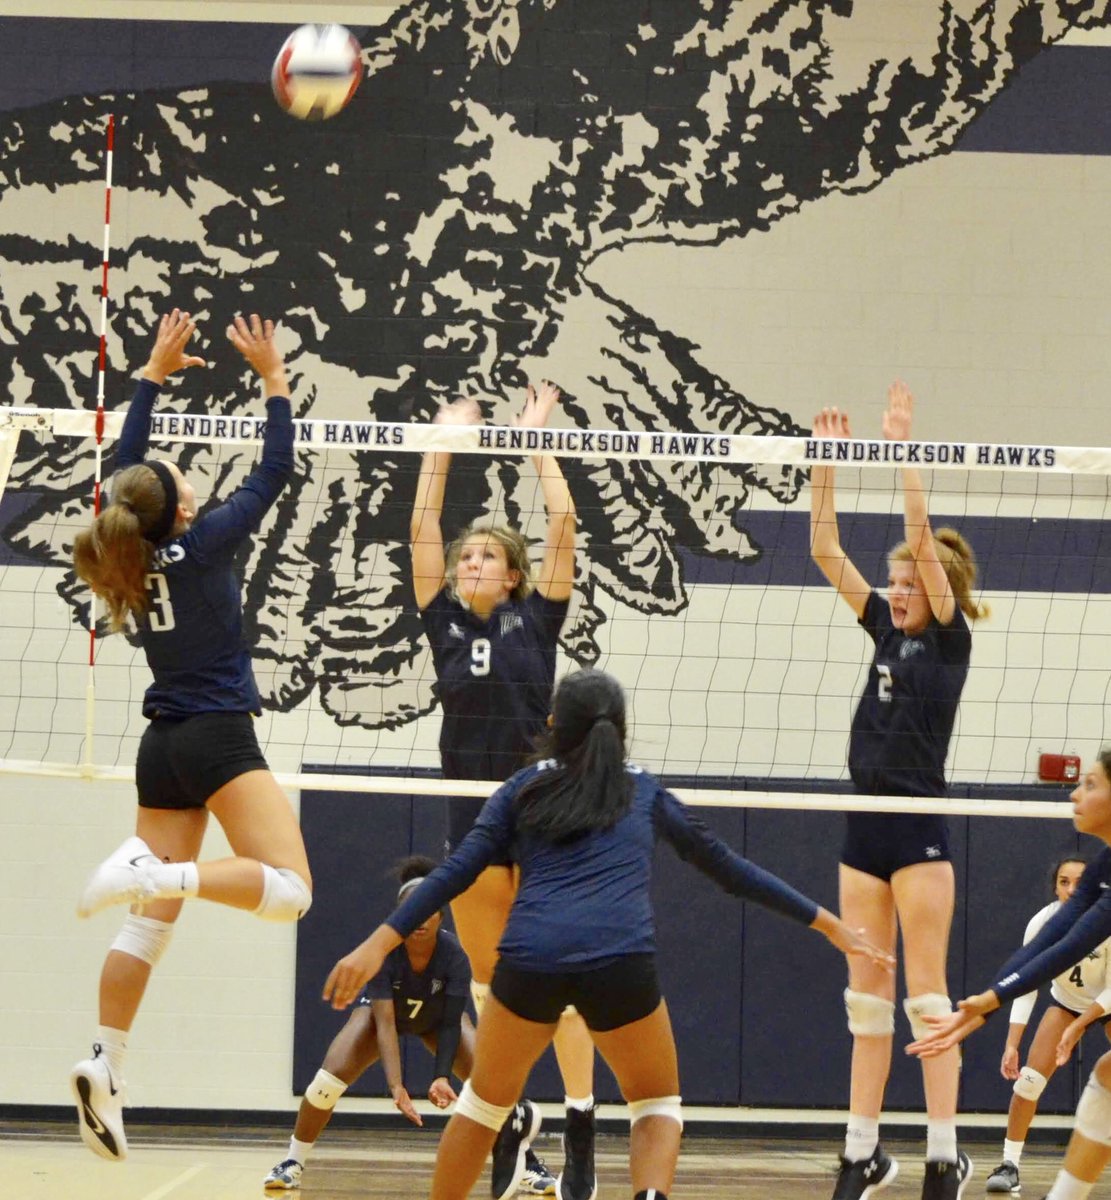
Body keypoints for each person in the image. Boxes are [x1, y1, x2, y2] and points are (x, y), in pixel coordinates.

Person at [322, 668, 895, 1200]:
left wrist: (377, 944)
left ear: (551, 725)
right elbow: (729, 870)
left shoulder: (519, 789)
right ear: (620, 731)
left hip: (530, 962)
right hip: (618, 961)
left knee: (483, 1107)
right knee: (657, 1105)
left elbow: (452, 873)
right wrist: (828, 924)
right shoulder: (642, 791)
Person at [69, 310, 312, 1163]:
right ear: (181, 507)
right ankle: (151, 869)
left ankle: (106, 1060)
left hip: (162, 742)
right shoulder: (203, 545)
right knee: (290, 889)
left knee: (147, 927)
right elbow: (277, 466)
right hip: (212, 736)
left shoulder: (124, 552)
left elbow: (120, 476)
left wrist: (150, 378)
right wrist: (274, 379)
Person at [411, 385, 593, 1200]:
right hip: (475, 821)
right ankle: (511, 1121)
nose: (469, 564)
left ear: (514, 576)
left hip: (542, 817)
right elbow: (420, 531)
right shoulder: (444, 621)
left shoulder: (536, 621)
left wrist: (536, 442)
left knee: (564, 983)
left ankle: (581, 1122)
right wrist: (442, 443)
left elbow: (564, 528)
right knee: (493, 991)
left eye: (484, 556)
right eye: (464, 559)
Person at [809, 382, 988, 1200]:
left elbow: (918, 540)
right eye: (896, 583)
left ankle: (944, 1153)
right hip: (862, 825)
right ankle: (861, 1151)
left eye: (911, 581)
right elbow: (822, 553)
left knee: (925, 997)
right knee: (863, 1000)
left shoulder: (947, 641)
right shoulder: (882, 624)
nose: (899, 590)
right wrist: (824, 468)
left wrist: (902, 446)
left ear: (937, 584)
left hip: (916, 826)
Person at [908, 752, 1111, 1200]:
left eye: (1091, 785)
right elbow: (1056, 940)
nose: (1075, 794)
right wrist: (989, 1001)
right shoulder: (1104, 868)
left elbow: (1073, 944)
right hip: (1071, 1000)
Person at [264, 855, 475, 1190]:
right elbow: (386, 1024)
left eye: (428, 908)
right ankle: (293, 1160)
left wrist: (440, 1076)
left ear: (440, 913)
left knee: (490, 1083)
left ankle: (527, 1165)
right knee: (326, 1081)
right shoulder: (386, 953)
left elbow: (451, 1023)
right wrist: (396, 1086)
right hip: (382, 1018)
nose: (420, 917)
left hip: (437, 1020)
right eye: (412, 909)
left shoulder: (454, 956)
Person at [985, 856, 1111, 1195]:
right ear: (1054, 887)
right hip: (1067, 1003)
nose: (1071, 889)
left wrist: (1080, 1026)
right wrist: (1012, 1043)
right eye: (1063, 882)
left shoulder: (1107, 921)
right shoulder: (1043, 922)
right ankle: (1009, 1164)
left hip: (1107, 1003)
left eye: (1078, 882)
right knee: (1027, 1083)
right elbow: (1026, 983)